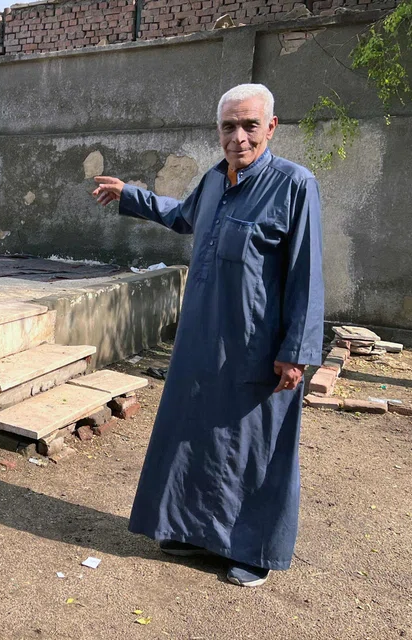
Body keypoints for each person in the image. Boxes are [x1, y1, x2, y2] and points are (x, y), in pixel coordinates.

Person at [92, 84, 324, 587]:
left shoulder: (294, 185)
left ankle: (251, 550)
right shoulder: (216, 180)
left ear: (271, 127)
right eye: (228, 126)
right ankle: (191, 531)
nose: (238, 137)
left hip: (257, 345)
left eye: (249, 126)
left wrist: (297, 352)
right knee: (194, 433)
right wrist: (131, 194)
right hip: (202, 337)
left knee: (253, 445)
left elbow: (307, 273)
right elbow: (183, 216)